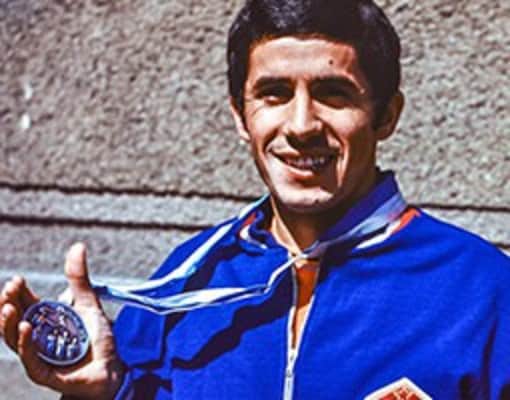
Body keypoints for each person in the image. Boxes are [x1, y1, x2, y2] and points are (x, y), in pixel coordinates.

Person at [1, 0, 509, 399]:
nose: (301, 125)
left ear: (386, 115)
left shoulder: (484, 291)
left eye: (334, 93)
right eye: (274, 93)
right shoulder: (185, 281)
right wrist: (106, 390)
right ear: (241, 117)